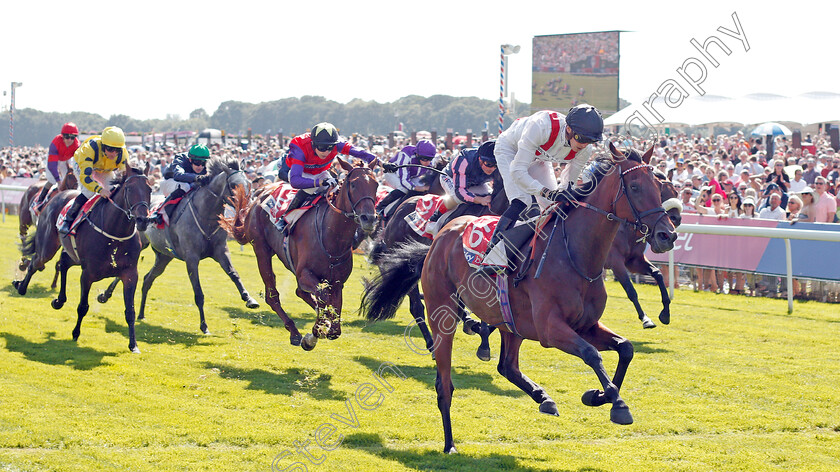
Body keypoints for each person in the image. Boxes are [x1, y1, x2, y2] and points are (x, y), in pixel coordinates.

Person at [480, 105, 604, 273]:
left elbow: (568, 184)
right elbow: (518, 172)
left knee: (552, 207)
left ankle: (551, 255)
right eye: (582, 138)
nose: (585, 144)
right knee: (521, 200)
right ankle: (491, 255)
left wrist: (560, 194)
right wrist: (545, 191)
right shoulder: (541, 126)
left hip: (539, 157)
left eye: (591, 140)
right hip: (510, 150)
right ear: (568, 129)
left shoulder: (584, 149)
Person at [278, 123, 377, 230]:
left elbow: (361, 153)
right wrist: (319, 182)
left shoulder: (337, 144)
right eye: (322, 147)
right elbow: (295, 181)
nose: (326, 151)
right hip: (302, 173)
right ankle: (285, 219)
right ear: (313, 144)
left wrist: (381, 163)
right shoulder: (300, 145)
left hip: (321, 171)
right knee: (312, 188)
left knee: (335, 190)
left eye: (330, 147)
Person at [59, 126, 129, 234]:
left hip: (104, 169)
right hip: (83, 165)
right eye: (110, 149)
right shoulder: (89, 149)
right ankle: (68, 219)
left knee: (113, 191)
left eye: (117, 150)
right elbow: (86, 178)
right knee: (89, 192)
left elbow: (126, 176)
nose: (114, 153)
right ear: (103, 145)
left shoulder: (123, 155)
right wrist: (100, 190)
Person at [425, 140, 498, 233]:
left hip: (476, 182)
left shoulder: (498, 163)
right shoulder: (464, 159)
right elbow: (460, 191)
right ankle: (434, 218)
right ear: (480, 158)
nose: (492, 169)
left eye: (495, 165)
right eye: (489, 164)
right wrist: (480, 200)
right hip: (450, 178)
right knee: (456, 197)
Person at [152, 144, 212, 225]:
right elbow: (178, 175)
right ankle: (158, 213)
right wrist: (197, 178)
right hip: (169, 182)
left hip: (188, 183)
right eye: (197, 162)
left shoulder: (205, 165)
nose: (200, 166)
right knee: (185, 186)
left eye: (203, 163)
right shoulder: (180, 158)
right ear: (190, 160)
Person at [376, 139, 437, 217]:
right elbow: (404, 181)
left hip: (411, 176)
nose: (427, 162)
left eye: (430, 159)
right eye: (424, 159)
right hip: (393, 173)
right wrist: (417, 188)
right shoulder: (406, 155)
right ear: (417, 154)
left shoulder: (431, 160)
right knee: (404, 188)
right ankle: (380, 207)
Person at [34, 123, 80, 207]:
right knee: (52, 180)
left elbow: (79, 163)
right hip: (55, 159)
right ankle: (40, 200)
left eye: (72, 137)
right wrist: (58, 181)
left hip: (66, 159)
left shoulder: (77, 145)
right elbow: (52, 166)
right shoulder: (55, 143)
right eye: (67, 137)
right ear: (62, 136)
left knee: (72, 176)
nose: (69, 140)